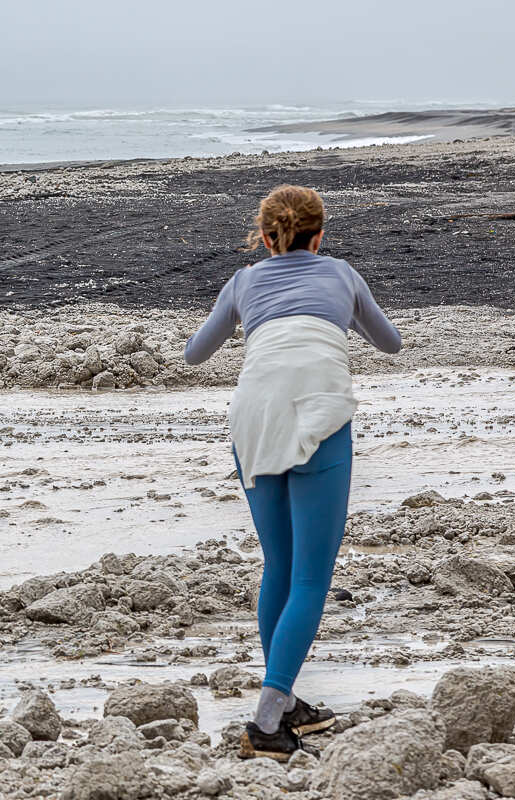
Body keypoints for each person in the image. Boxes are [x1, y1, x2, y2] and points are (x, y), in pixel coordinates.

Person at [184, 184, 402, 760]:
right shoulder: (342, 274)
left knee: (278, 566)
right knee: (310, 577)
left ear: (263, 236)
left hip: (252, 417)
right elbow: (391, 343)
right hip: (318, 412)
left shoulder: (243, 281)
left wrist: (250, 316)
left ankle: (284, 703)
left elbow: (194, 355)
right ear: (320, 234)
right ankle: (265, 720)